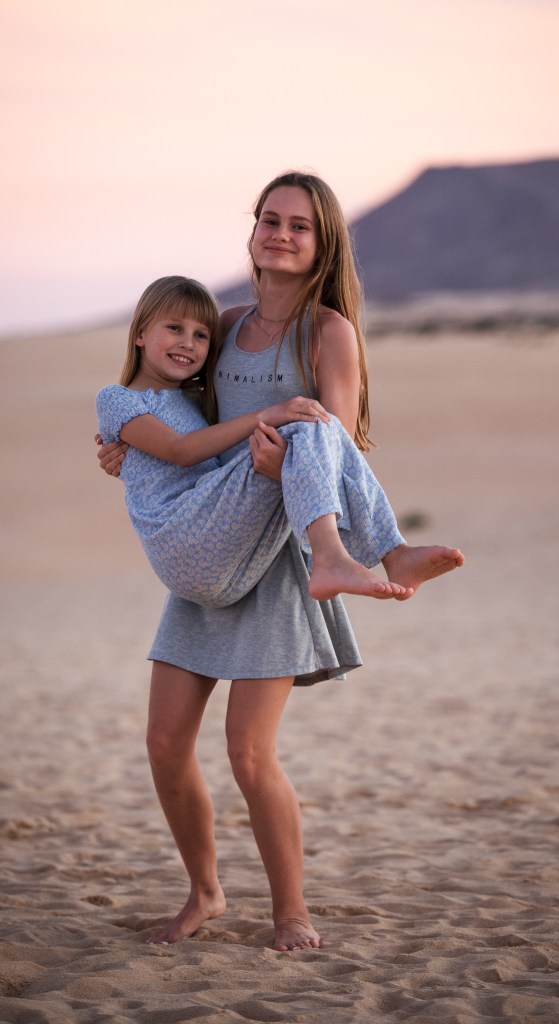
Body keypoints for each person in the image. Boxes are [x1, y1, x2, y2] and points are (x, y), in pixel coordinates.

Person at [96, 172, 464, 952]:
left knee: (247, 753)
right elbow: (180, 422)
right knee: (164, 744)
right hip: (210, 539)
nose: (280, 233)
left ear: (321, 240)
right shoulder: (220, 325)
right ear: (253, 229)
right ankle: (205, 894)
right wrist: (122, 445)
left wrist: (278, 473)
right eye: (269, 219)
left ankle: (291, 912)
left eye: (299, 225)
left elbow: (336, 440)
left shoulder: (328, 331)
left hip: (280, 560)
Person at [96, 276, 417, 609]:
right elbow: (181, 450)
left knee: (313, 427)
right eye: (174, 328)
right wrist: (271, 414)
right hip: (181, 540)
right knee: (302, 425)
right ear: (139, 334)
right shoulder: (117, 399)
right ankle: (351, 555)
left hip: (229, 562)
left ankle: (391, 554)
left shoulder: (197, 399)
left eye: (201, 335)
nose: (188, 343)